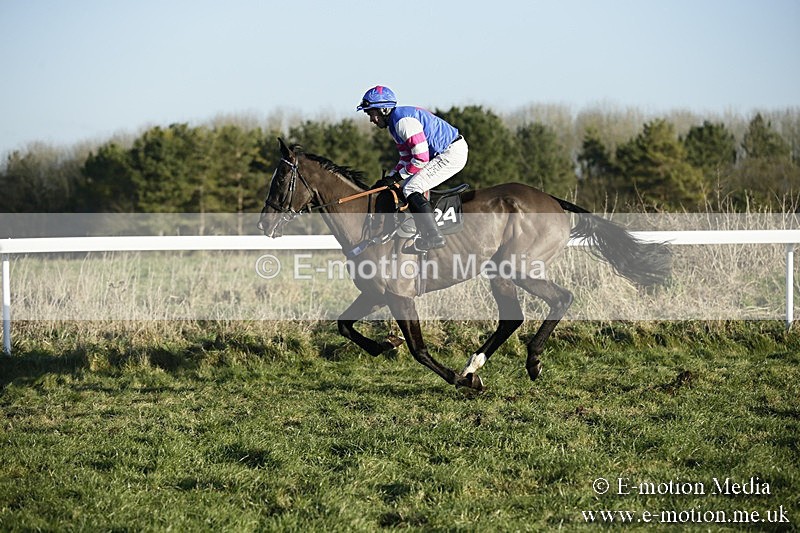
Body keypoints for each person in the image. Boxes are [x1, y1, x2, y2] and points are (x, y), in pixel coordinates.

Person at [357, 85, 468, 252]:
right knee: (405, 185)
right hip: (443, 153)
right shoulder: (395, 125)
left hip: (451, 153)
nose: (371, 119)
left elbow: (421, 159)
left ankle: (434, 236)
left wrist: (396, 178)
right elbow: (406, 158)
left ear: (384, 110)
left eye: (371, 113)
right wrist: (390, 178)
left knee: (412, 187)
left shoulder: (403, 122)